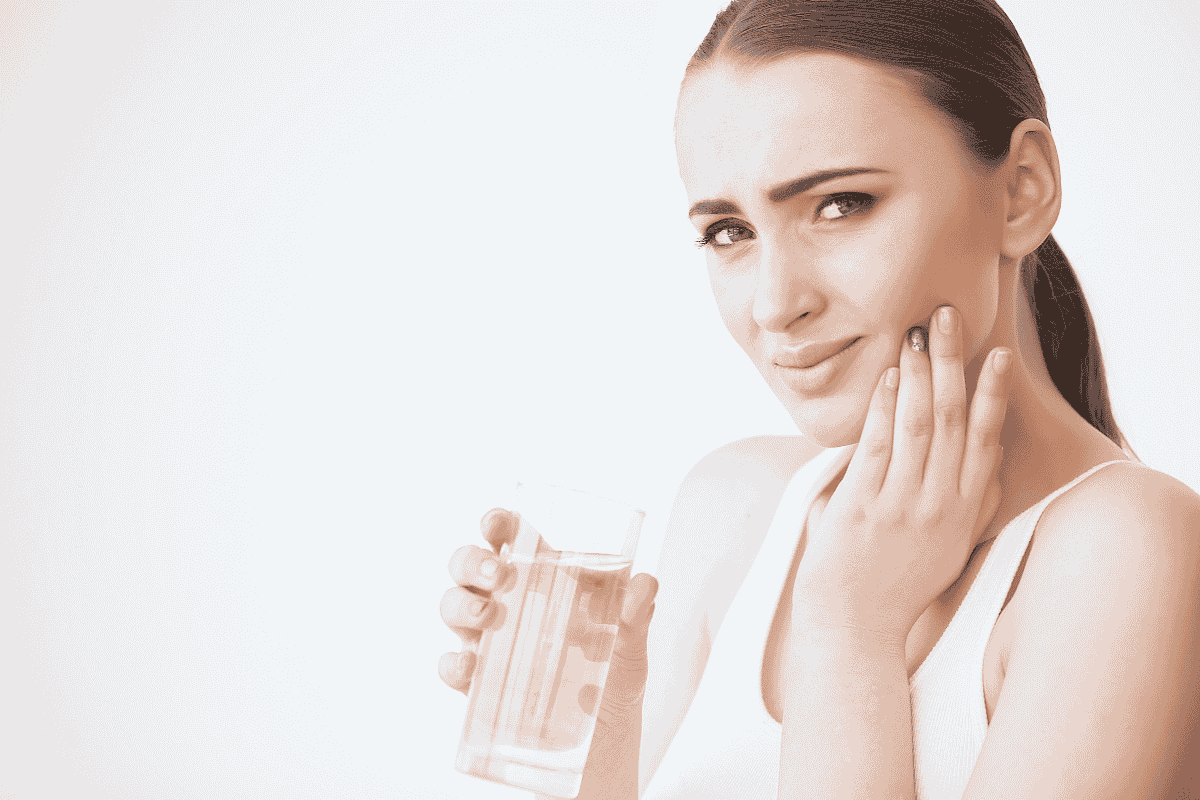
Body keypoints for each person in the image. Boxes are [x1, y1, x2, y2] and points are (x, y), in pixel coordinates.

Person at [438, 1, 1200, 797]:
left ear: (1020, 192)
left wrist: (847, 630)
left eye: (840, 204)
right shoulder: (735, 506)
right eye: (729, 231)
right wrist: (606, 722)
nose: (774, 304)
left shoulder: (1127, 550)